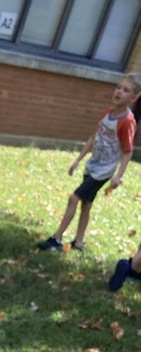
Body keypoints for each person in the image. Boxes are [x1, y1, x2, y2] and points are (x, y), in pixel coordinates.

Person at [38, 74, 141, 253]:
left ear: (134, 98)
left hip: (103, 172)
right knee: (86, 204)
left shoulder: (127, 121)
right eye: (119, 87)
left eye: (126, 90)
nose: (119, 92)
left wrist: (118, 176)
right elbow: (93, 138)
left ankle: (57, 239)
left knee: (74, 198)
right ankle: (78, 243)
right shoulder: (106, 115)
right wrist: (78, 160)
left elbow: (127, 151)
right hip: (92, 166)